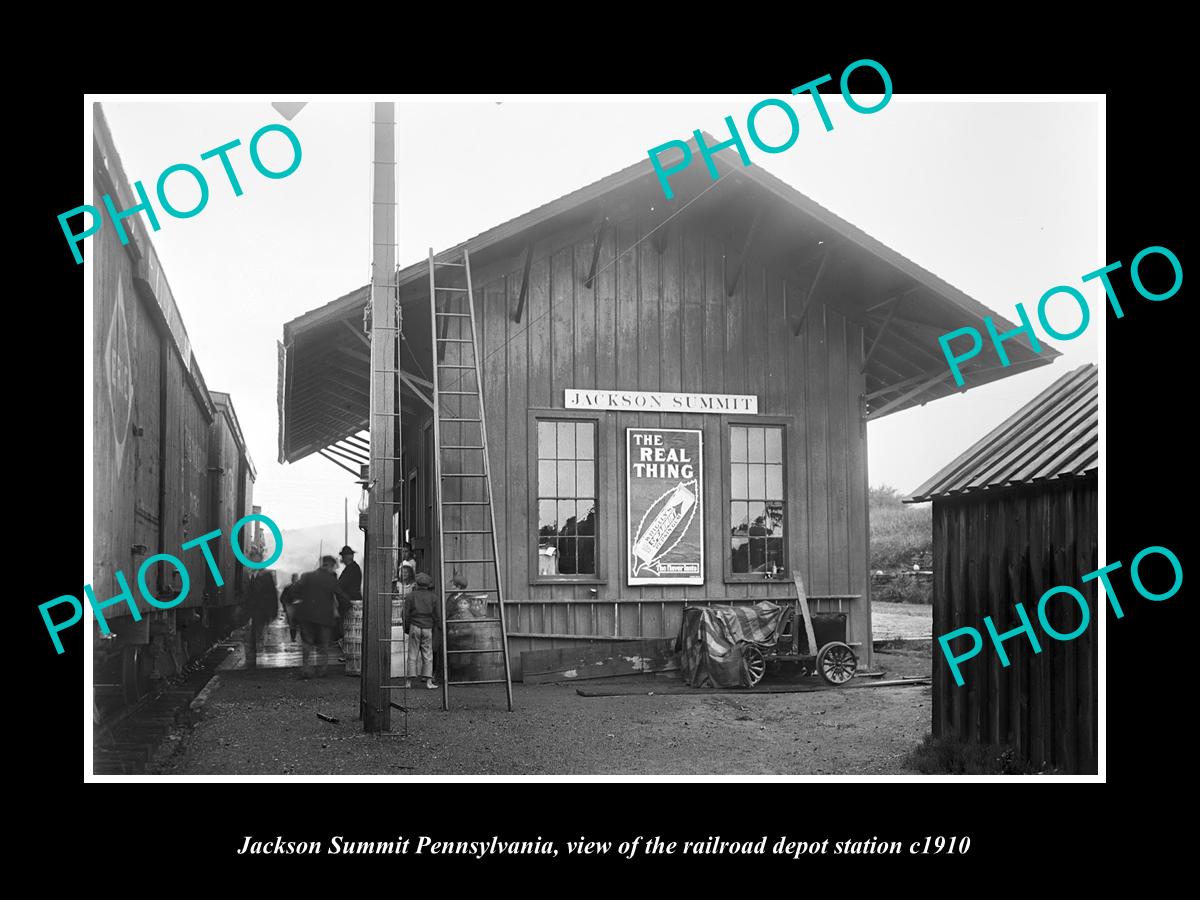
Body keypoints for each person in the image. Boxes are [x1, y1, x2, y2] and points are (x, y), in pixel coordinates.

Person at [292, 556, 348, 679]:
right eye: (333, 566)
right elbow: (340, 595)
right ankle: (322, 670)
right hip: (324, 618)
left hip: (306, 616)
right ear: (328, 565)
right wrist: (346, 607)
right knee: (324, 644)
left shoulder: (306, 576)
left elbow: (294, 591)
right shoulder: (331, 579)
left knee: (307, 643)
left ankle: (306, 669)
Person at [404, 572, 441, 690]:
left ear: (416, 583)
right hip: (427, 627)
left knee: (412, 653)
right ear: (429, 584)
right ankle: (429, 682)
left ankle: (409, 682)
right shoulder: (434, 597)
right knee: (428, 654)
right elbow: (437, 616)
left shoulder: (410, 596)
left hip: (414, 626)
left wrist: (406, 627)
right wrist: (438, 626)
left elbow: (405, 614)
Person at [244, 550, 279, 667]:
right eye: (252, 559)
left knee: (257, 635)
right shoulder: (251, 574)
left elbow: (273, 594)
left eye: (256, 559)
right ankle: (252, 661)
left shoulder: (266, 575)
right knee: (252, 635)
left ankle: (256, 662)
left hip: (261, 610)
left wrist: (273, 611)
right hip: (252, 610)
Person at [338, 546, 364, 676]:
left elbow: (342, 584)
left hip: (350, 601)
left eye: (345, 555)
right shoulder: (352, 568)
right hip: (351, 600)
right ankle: (348, 653)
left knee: (350, 630)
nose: (343, 558)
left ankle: (349, 653)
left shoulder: (352, 569)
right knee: (350, 631)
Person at [279, 573, 301, 642]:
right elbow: (282, 598)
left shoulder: (289, 588)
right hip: (292, 607)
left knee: (295, 624)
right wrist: (286, 605)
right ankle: (293, 638)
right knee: (293, 624)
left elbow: (282, 598)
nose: (294, 579)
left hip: (296, 607)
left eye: (295, 578)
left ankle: (294, 638)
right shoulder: (289, 588)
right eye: (294, 578)